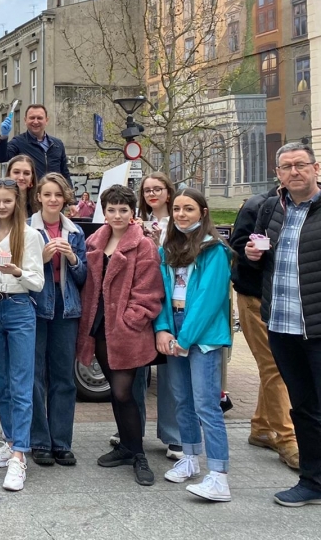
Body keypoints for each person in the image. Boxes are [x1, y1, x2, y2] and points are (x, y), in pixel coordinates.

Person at [245, 142, 321, 507]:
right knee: (302, 407)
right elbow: (261, 257)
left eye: (301, 165)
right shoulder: (271, 208)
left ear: (315, 168)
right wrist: (252, 255)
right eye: (287, 167)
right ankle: (312, 480)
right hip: (282, 324)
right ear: (278, 174)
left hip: (317, 326)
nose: (294, 172)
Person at [77, 185, 163, 487]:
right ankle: (127, 446)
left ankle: (138, 454)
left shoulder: (143, 245)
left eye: (123, 210)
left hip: (127, 329)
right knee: (115, 391)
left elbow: (150, 290)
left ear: (132, 213)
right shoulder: (94, 241)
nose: (117, 215)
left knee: (125, 391)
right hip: (99, 325)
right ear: (104, 211)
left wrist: (131, 319)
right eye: (111, 209)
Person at [155, 188, 232, 502]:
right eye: (177, 209)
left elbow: (209, 300)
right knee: (182, 400)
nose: (181, 214)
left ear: (203, 212)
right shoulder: (169, 248)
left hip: (203, 334)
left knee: (206, 404)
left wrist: (185, 339)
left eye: (188, 209)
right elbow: (161, 292)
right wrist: (162, 329)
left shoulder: (215, 250)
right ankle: (189, 457)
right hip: (175, 326)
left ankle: (219, 476)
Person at [0, 178, 45, 491]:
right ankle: (9, 440)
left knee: (21, 382)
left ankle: (20, 454)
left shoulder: (29, 235)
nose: (1, 206)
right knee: (1, 382)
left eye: (7, 200)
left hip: (19, 307)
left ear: (17, 202)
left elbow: (38, 283)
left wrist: (17, 271)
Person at [230, 187, 298, 469]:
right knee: (275, 366)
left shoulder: (311, 209)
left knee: (275, 366)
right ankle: (288, 439)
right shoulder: (258, 205)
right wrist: (253, 255)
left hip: (290, 300)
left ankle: (261, 427)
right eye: (288, 168)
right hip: (255, 297)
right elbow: (237, 249)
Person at [28, 174, 87, 467]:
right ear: (38, 197)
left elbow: (84, 277)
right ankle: (39, 441)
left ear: (65, 199)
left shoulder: (75, 231)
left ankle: (61, 442)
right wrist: (41, 257)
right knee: (35, 376)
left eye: (58, 195)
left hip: (66, 307)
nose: (53, 199)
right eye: (47, 194)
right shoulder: (27, 228)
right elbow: (19, 271)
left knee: (63, 377)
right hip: (35, 306)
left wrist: (73, 259)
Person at [134, 172, 183, 461]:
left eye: (157, 189)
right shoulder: (137, 222)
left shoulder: (179, 223)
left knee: (171, 372)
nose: (152, 194)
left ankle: (173, 435)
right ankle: (131, 430)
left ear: (168, 192)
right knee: (136, 371)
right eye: (147, 190)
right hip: (142, 300)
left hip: (171, 301)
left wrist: (159, 247)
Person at [0, 104, 72, 184]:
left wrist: (70, 191)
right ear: (25, 120)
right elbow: (1, 158)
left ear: (46, 120)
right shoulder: (18, 142)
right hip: (31, 191)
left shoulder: (57, 144)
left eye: (39, 118)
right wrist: (4, 136)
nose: (35, 121)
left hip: (52, 191)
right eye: (32, 118)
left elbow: (65, 174)